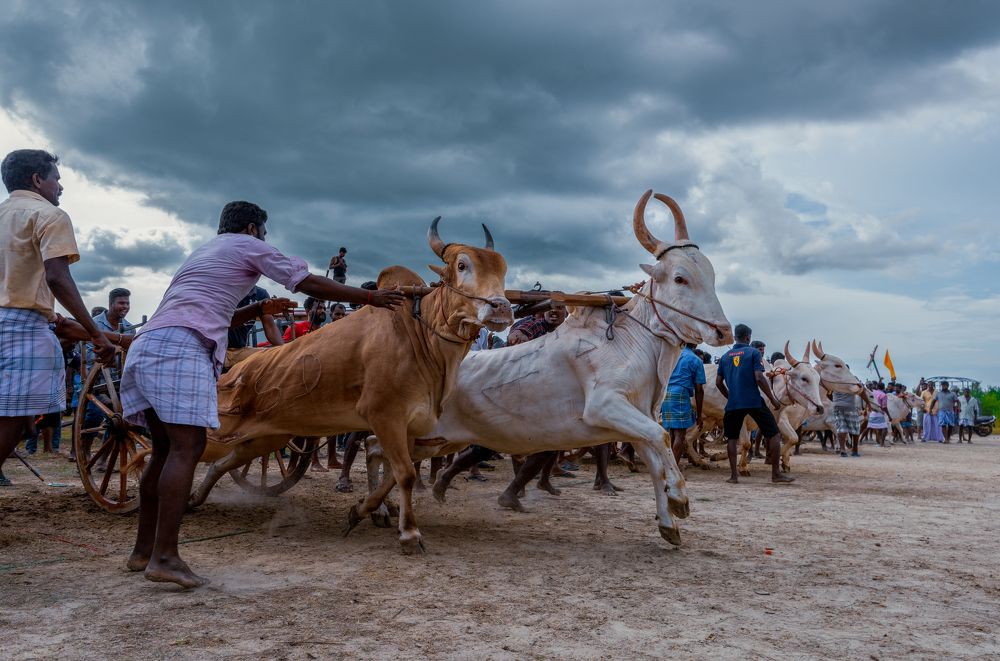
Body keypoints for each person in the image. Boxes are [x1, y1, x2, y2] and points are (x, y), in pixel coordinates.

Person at [119, 200, 403, 588]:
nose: (266, 239)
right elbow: (303, 281)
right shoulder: (249, 245)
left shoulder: (202, 252)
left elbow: (209, 311)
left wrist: (254, 312)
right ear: (252, 228)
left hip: (149, 343)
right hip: (182, 347)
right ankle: (165, 557)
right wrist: (371, 299)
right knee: (187, 449)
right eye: (265, 232)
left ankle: (142, 551)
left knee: (166, 451)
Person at [0, 150, 116, 487]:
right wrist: (97, 334)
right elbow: (58, 277)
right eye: (56, 179)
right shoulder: (49, 214)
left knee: (22, 421)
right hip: (22, 327)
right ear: (38, 179)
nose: (60, 187)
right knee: (16, 421)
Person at [715, 324, 792, 484]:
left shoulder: (725, 357)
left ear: (735, 336)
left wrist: (730, 396)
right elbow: (759, 377)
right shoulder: (754, 353)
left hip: (734, 403)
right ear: (748, 337)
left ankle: (734, 476)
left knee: (732, 438)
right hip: (753, 400)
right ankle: (776, 474)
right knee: (773, 434)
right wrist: (772, 399)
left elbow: (718, 382)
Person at [661, 343, 706, 465]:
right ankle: (673, 469)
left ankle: (669, 465)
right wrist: (700, 415)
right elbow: (699, 390)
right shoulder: (695, 360)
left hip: (665, 394)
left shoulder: (672, 355)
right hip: (681, 394)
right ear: (695, 343)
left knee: (671, 434)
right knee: (680, 435)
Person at [224, 284, 284, 369]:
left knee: (274, 357)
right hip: (216, 350)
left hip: (239, 351)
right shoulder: (223, 290)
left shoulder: (261, 295)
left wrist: (284, 351)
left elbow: (270, 327)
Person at [867, 382, 890, 447]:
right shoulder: (883, 395)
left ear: (877, 387)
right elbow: (884, 407)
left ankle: (879, 442)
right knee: (885, 428)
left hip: (872, 413)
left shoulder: (873, 393)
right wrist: (889, 415)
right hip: (880, 413)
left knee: (879, 428)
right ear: (884, 387)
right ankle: (882, 443)